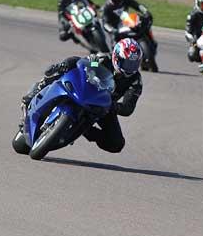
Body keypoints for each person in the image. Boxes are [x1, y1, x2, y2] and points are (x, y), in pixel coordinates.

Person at [13, 38, 143, 154]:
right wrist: (64, 65)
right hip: (84, 88)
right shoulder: (104, 60)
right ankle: (34, 94)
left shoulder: (135, 81)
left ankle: (85, 130)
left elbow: (128, 107)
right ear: (116, 57)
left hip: (103, 105)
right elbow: (81, 61)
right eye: (126, 63)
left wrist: (115, 107)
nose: (129, 68)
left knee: (116, 144)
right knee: (60, 71)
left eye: (133, 64)